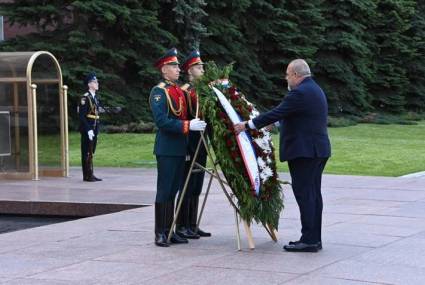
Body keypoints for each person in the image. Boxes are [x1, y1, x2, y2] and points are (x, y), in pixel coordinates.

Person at [234, 59, 331, 252]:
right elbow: (296, 116)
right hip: (316, 150)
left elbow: (277, 112)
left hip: (305, 151)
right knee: (313, 195)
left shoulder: (299, 92)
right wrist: (277, 124)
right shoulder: (314, 89)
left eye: (287, 74)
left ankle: (309, 240)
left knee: (305, 195)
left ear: (296, 74)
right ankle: (313, 238)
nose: (286, 78)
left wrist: (247, 125)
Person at [150, 48, 207, 247]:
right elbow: (162, 121)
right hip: (167, 148)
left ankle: (171, 229)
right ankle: (160, 232)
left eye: (177, 65)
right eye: (173, 66)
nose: (177, 69)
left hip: (180, 148)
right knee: (165, 190)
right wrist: (187, 126)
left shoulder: (177, 91)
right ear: (164, 69)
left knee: (175, 190)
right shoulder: (159, 92)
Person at [176, 50, 211, 239]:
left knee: (197, 184)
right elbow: (183, 119)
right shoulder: (184, 91)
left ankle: (192, 224)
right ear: (189, 71)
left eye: (202, 66)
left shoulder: (203, 90)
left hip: (202, 142)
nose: (202, 70)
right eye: (198, 67)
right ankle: (181, 225)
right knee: (187, 184)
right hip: (190, 143)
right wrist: (185, 146)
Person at [78, 72, 102, 182]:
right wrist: (88, 130)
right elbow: (82, 116)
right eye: (95, 82)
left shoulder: (95, 97)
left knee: (91, 152)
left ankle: (90, 173)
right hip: (88, 129)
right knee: (86, 152)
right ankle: (86, 175)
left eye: (97, 82)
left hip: (94, 128)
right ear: (89, 84)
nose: (97, 83)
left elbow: (96, 114)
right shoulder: (85, 98)